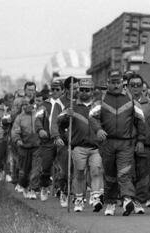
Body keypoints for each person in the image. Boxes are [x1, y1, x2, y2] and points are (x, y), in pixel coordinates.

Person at [89, 70, 146, 216]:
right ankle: (110, 203)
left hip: (126, 143)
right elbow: (92, 116)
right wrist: (98, 130)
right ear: (107, 83)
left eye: (118, 82)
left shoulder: (131, 99)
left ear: (123, 83)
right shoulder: (100, 99)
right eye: (112, 82)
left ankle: (127, 199)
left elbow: (141, 121)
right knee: (110, 174)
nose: (115, 85)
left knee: (124, 172)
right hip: (107, 143)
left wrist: (140, 140)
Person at [57, 79, 104, 213]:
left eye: (87, 90)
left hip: (95, 147)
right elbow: (59, 121)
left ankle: (95, 197)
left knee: (96, 171)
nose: (84, 92)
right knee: (79, 173)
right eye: (82, 90)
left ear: (92, 91)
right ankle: (79, 199)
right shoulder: (71, 106)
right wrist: (67, 117)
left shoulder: (98, 105)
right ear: (78, 91)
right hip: (78, 146)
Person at [127, 73, 150, 214]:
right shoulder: (123, 103)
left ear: (143, 87)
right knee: (128, 174)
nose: (135, 88)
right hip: (126, 145)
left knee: (144, 176)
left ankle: (138, 201)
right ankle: (127, 199)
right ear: (127, 87)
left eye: (138, 85)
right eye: (132, 85)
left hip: (145, 145)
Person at [50, 77, 79, 208]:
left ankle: (75, 194)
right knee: (65, 170)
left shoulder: (81, 101)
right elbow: (54, 122)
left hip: (79, 140)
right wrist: (56, 137)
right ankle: (63, 191)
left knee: (78, 169)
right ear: (67, 89)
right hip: (64, 141)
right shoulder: (59, 103)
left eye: (79, 88)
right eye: (75, 88)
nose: (78, 90)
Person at [11, 97, 40, 200]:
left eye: (29, 104)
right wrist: (17, 140)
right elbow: (15, 131)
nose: (27, 107)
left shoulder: (38, 115)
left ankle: (33, 189)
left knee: (36, 169)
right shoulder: (19, 118)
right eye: (24, 105)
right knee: (24, 171)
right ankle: (25, 186)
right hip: (24, 147)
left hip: (37, 146)